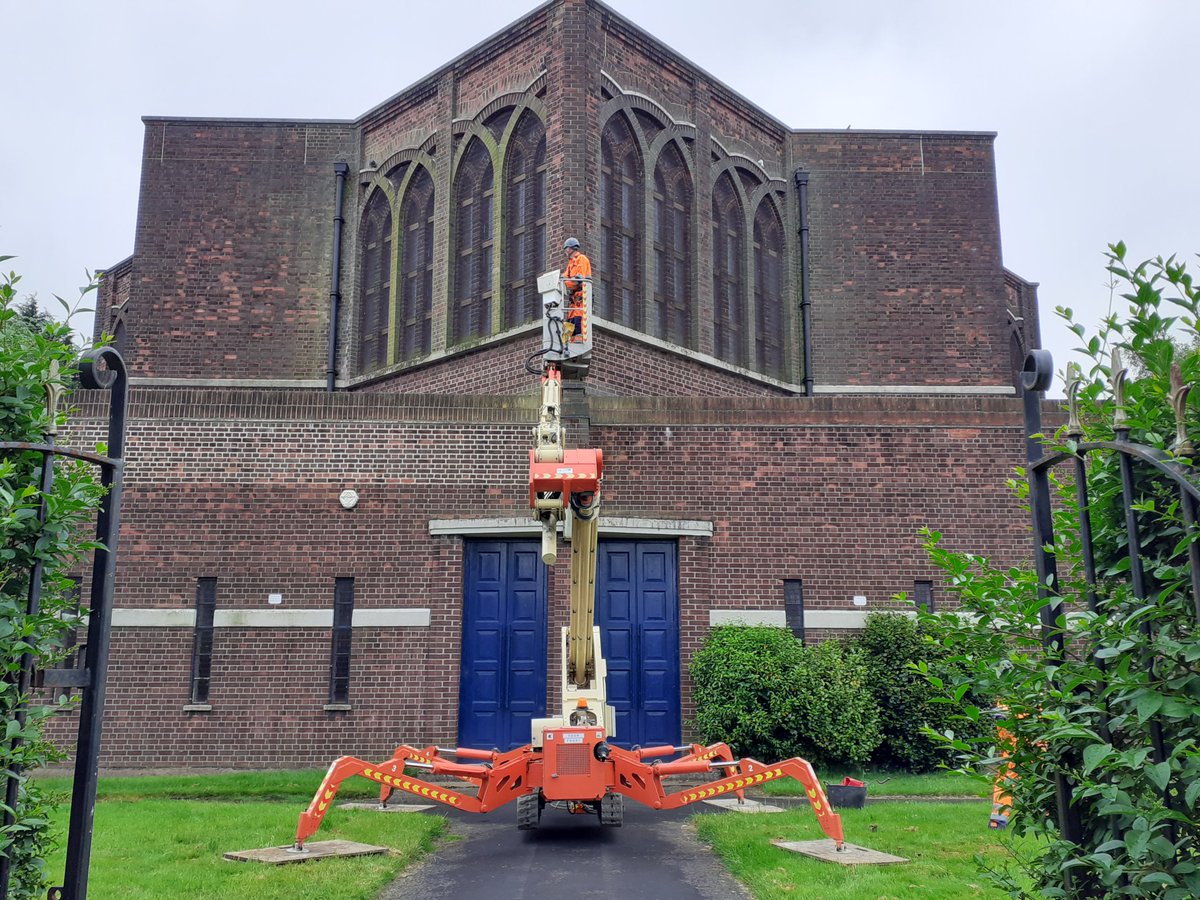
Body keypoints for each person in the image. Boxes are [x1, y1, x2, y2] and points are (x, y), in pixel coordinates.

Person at [562, 237, 591, 342]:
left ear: (570, 249)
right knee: (569, 320)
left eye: (566, 249)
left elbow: (578, 280)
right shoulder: (571, 264)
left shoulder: (581, 259)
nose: (566, 251)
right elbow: (565, 277)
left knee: (578, 320)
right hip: (574, 300)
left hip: (580, 297)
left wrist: (566, 282)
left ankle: (578, 341)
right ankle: (565, 342)